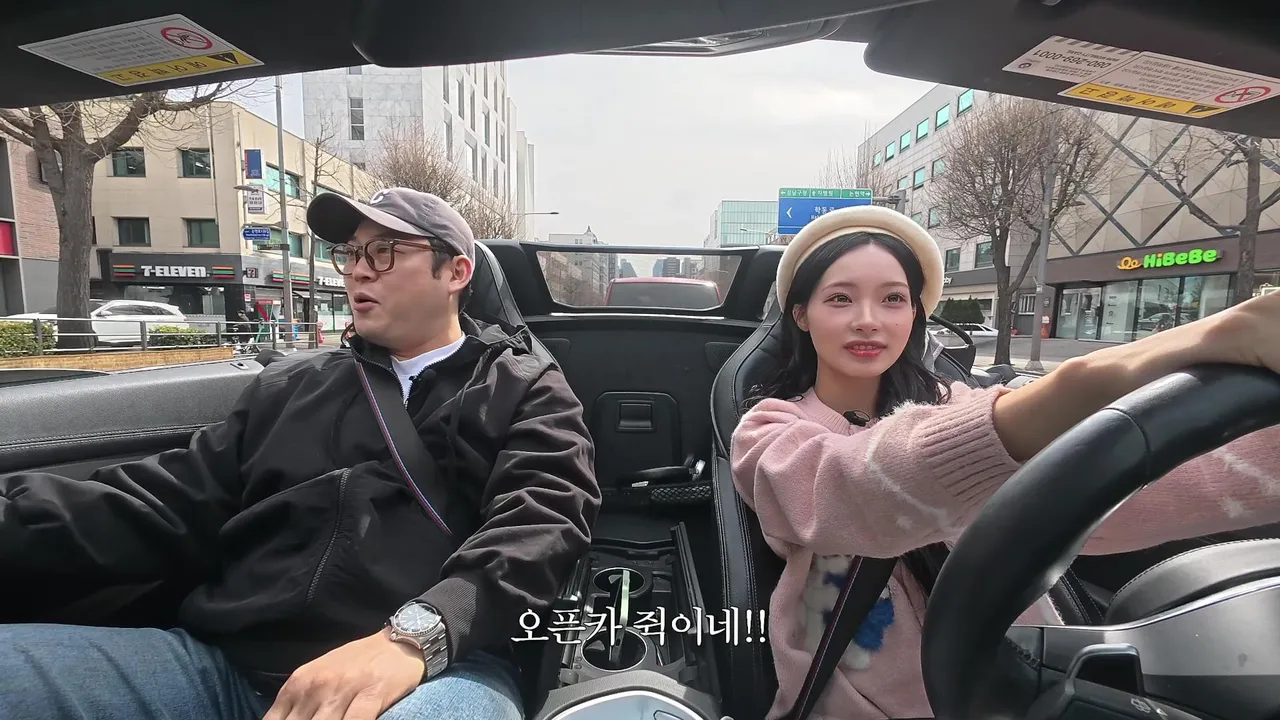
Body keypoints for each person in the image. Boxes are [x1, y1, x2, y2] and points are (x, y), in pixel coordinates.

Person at [0, 187, 601, 720]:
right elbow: (161, 502)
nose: (358, 271)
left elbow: (544, 521)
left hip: (431, 670)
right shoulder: (291, 385)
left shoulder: (521, 387)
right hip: (222, 666)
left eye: (384, 252)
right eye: (351, 254)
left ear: (456, 272)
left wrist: (418, 636)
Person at [730, 205, 1280, 720]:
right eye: (840, 299)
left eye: (893, 299)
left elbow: (1110, 498)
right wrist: (1093, 379)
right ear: (800, 314)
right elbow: (856, 488)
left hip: (1012, 686)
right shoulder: (768, 432)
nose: (868, 320)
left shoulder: (962, 406)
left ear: (916, 314)